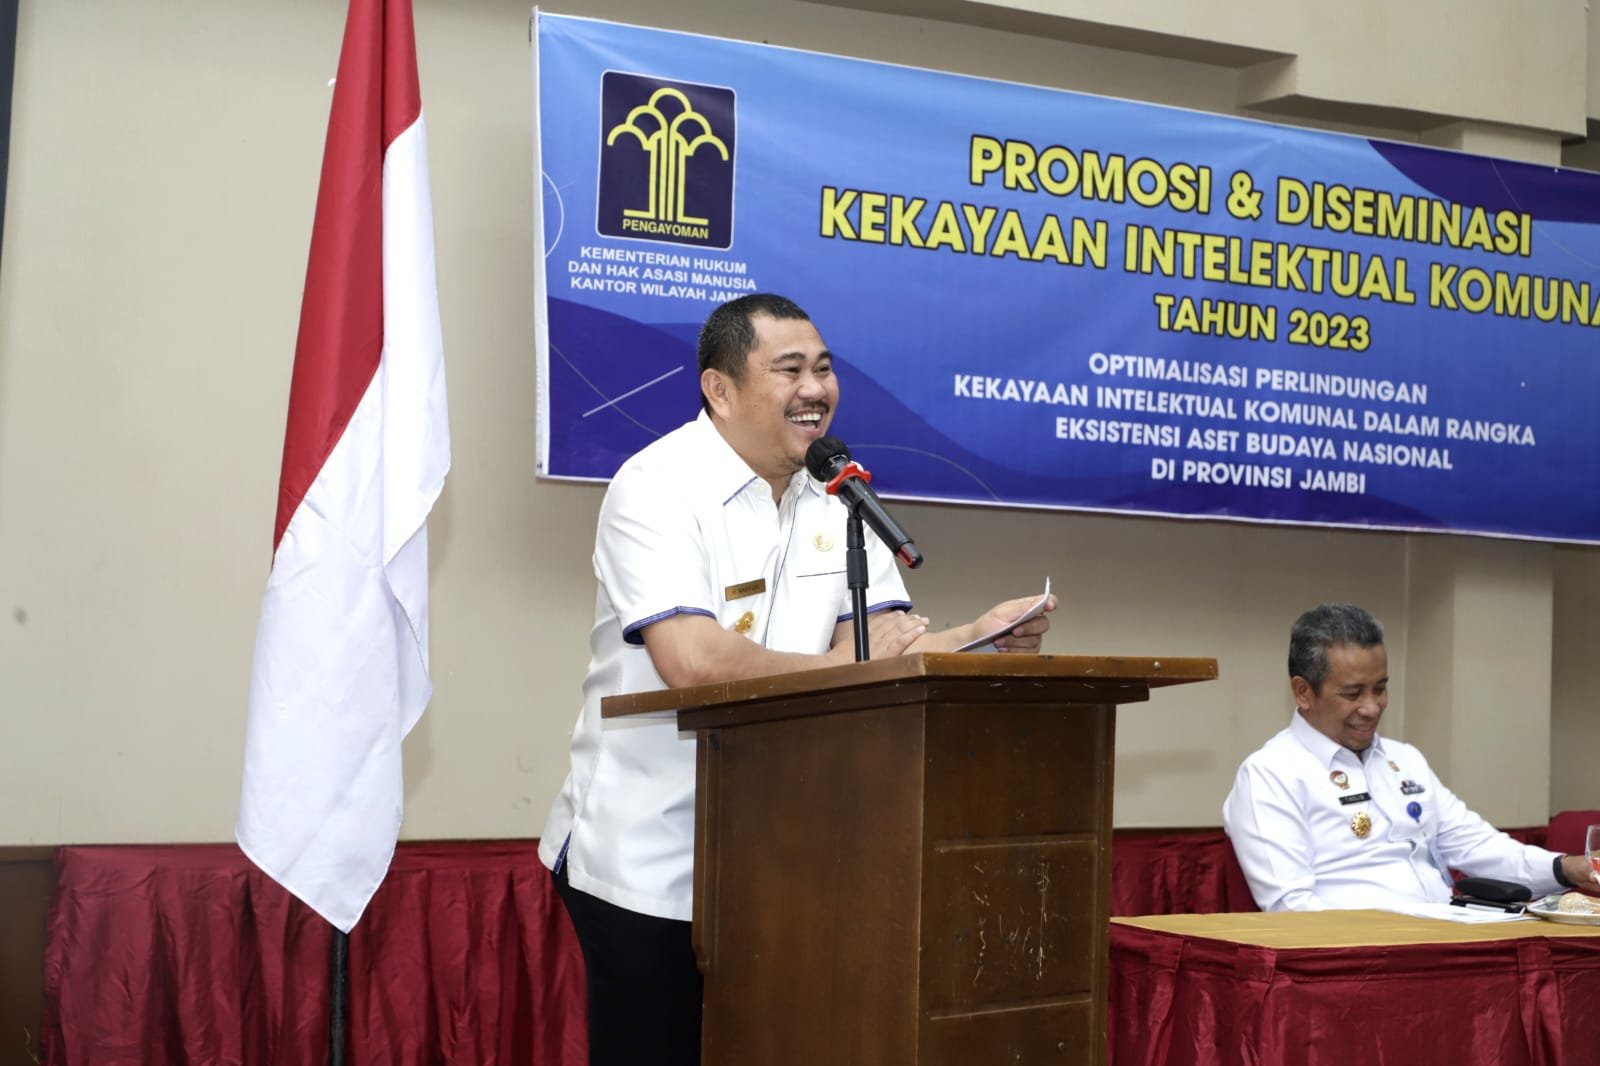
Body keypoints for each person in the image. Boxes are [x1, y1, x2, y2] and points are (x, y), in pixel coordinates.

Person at [538, 293, 1057, 1066]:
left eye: (823, 368)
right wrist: (844, 667)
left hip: (789, 852)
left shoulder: (838, 496)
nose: (815, 389)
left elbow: (880, 652)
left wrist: (978, 640)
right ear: (719, 388)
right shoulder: (655, 486)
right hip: (651, 853)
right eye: (789, 370)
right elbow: (693, 661)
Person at [1222, 602, 1596, 912]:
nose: (1372, 707)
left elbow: (1478, 846)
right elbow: (1292, 908)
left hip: (1448, 936)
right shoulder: (1271, 774)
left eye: (1380, 689)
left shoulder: (1404, 759)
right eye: (1352, 694)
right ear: (1303, 692)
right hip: (1361, 959)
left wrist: (1568, 869)